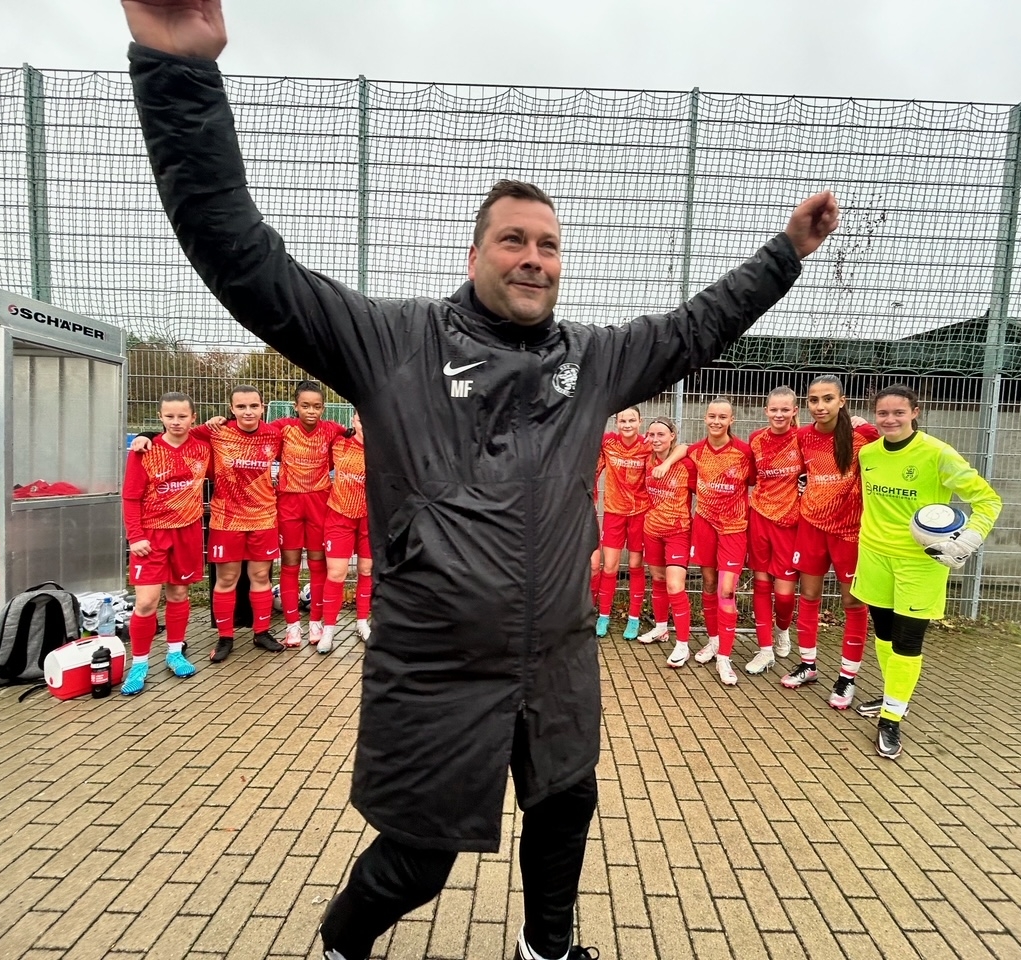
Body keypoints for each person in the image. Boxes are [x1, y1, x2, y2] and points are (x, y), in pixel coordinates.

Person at [123, 4, 837, 955]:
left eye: (548, 244)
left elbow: (696, 325)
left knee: (566, 808)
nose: (534, 257)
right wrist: (177, 72)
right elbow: (242, 256)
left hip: (557, 657)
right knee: (419, 860)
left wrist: (785, 254)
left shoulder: (595, 359)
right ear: (474, 254)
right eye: (513, 240)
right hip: (435, 666)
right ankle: (341, 943)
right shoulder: (393, 343)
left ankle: (548, 947)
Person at [852, 384, 1001, 759]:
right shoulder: (868, 454)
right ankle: (893, 696)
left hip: (921, 562)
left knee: (907, 641)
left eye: (898, 412)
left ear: (915, 413)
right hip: (874, 555)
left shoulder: (937, 453)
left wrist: (969, 539)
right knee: (883, 634)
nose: (890, 419)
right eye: (883, 413)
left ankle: (891, 719)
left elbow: (987, 499)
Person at [135, 384, 284, 661]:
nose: (248, 411)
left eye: (254, 406)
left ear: (263, 407)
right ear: (231, 409)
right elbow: (176, 433)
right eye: (241, 406)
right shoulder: (216, 431)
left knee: (261, 577)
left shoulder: (275, 434)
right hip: (226, 519)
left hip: (263, 517)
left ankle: (261, 632)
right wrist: (146, 436)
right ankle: (225, 637)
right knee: (227, 579)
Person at [781, 375, 879, 710]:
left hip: (849, 532)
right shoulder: (803, 436)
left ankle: (847, 677)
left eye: (827, 399)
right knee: (808, 595)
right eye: (813, 400)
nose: (820, 406)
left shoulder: (864, 435)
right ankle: (808, 665)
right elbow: (801, 472)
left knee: (853, 603)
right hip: (811, 527)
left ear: (842, 401)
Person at [120, 392, 210, 695]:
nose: (176, 422)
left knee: (179, 593)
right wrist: (135, 536)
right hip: (151, 535)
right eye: (169, 416)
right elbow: (131, 497)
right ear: (160, 417)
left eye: (182, 416)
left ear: (193, 417)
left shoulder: (203, 448)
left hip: (187, 531)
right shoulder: (144, 451)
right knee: (146, 602)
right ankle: (139, 664)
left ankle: (175, 652)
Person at [593, 407, 684, 639]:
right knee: (609, 566)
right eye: (622, 421)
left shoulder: (647, 444)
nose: (627, 425)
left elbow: (682, 448)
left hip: (640, 513)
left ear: (640, 422)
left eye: (631, 420)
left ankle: (633, 619)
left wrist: (666, 464)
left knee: (635, 565)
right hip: (614, 512)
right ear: (616, 423)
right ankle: (603, 616)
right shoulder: (608, 442)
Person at [272, 381, 347, 649]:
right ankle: (292, 625)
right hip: (289, 502)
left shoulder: (332, 430)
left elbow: (355, 436)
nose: (311, 411)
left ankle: (316, 621)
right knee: (290, 563)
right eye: (305, 406)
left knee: (318, 563)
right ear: (296, 406)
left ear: (323, 408)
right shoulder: (282, 428)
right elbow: (253, 434)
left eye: (316, 406)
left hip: (319, 502)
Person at [684, 398, 753, 686]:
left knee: (727, 591)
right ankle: (713, 641)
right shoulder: (695, 451)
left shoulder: (744, 452)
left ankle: (725, 656)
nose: (716, 421)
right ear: (705, 418)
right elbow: (685, 468)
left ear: (731, 420)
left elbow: (756, 482)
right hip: (705, 525)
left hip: (734, 529)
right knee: (709, 583)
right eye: (712, 416)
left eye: (722, 417)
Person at [744, 386, 802, 675]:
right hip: (759, 518)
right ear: (766, 410)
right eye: (774, 409)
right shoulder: (756, 439)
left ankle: (782, 629)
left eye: (785, 409)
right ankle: (765, 649)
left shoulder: (803, 438)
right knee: (761, 583)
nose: (779, 415)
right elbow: (752, 477)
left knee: (784, 594)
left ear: (794, 411)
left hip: (789, 523)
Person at [638, 417, 697, 663]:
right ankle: (661, 628)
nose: (655, 439)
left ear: (672, 435)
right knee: (658, 579)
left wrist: (669, 462)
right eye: (651, 434)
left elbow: (687, 448)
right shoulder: (647, 459)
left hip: (678, 531)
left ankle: (683, 645)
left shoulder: (686, 464)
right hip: (652, 529)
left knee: (675, 586)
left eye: (661, 434)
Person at [318, 411, 372, 654]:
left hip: (370, 519)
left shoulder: (384, 450)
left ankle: (362, 622)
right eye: (361, 420)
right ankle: (328, 629)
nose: (365, 425)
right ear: (353, 420)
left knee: (366, 570)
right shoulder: (339, 444)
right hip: (340, 516)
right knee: (336, 573)